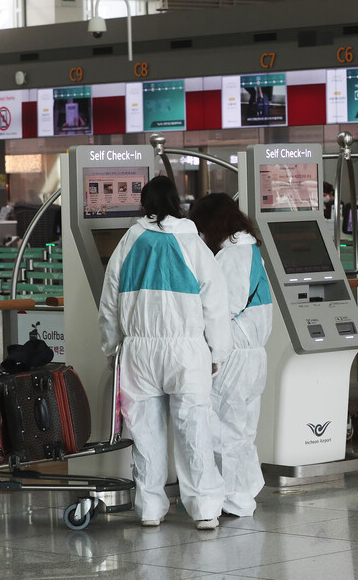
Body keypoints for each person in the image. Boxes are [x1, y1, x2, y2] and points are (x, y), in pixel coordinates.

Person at [98, 175, 232, 530]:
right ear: (178, 203)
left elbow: (109, 303)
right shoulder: (192, 242)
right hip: (186, 351)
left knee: (144, 433)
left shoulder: (129, 241)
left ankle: (151, 508)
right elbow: (215, 302)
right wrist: (218, 350)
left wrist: (112, 348)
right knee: (194, 430)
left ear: (144, 205)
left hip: (139, 352)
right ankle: (204, 508)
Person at [190, 193, 273, 517]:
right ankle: (242, 495)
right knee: (241, 430)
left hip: (236, 353)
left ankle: (235, 499)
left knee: (226, 430)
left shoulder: (234, 255)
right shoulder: (247, 249)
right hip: (250, 353)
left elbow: (225, 306)